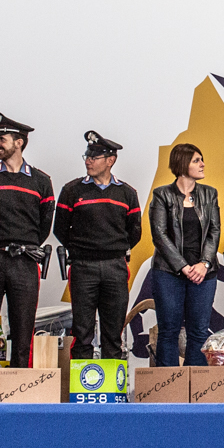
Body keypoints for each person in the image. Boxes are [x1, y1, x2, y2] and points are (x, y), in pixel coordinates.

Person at [0, 113, 55, 369]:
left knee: (23, 329)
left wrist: (23, 244)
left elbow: (44, 225)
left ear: (19, 142)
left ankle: (19, 386)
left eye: (2, 139)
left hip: (24, 261)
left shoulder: (41, 181)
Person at [54, 131, 142, 360]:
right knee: (82, 331)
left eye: (94, 157)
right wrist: (82, 249)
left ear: (111, 160)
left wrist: (112, 249)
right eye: (87, 156)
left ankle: (111, 381)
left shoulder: (127, 193)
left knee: (113, 332)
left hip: (115, 267)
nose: (88, 161)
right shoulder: (72, 190)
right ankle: (82, 381)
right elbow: (60, 229)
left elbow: (134, 232)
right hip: (83, 266)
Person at [148, 142, 221, 367]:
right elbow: (159, 234)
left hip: (203, 274)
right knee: (169, 331)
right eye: (196, 160)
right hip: (168, 273)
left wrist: (204, 263)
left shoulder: (209, 193)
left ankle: (196, 386)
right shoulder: (162, 194)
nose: (202, 164)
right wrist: (183, 266)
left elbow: (215, 230)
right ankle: (169, 386)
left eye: (201, 159)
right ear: (182, 164)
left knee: (199, 331)